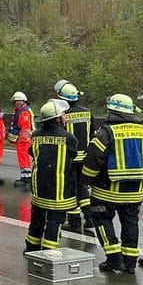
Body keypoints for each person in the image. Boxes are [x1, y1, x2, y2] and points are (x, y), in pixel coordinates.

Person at [80, 94, 143, 274]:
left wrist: (86, 180)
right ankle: (130, 263)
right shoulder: (142, 130)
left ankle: (114, 260)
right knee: (130, 223)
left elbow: (93, 160)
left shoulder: (105, 132)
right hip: (135, 191)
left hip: (107, 190)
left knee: (102, 219)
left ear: (112, 111)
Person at [24, 99, 77, 253]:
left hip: (39, 188)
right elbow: (73, 156)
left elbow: (32, 152)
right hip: (59, 191)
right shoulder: (68, 137)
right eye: (63, 114)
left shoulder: (36, 135)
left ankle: (31, 249)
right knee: (54, 223)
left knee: (36, 221)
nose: (65, 117)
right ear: (58, 118)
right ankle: (48, 252)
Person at [54, 80, 95, 233]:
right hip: (84, 157)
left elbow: (59, 135)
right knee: (82, 187)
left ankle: (74, 222)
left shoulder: (62, 115)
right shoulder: (87, 111)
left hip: (69, 157)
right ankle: (89, 218)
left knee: (70, 189)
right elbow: (92, 133)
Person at [7, 91, 34, 187]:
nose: (18, 102)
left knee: (24, 159)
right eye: (16, 101)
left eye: (20, 101)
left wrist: (17, 135)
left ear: (24, 101)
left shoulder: (24, 112)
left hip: (24, 140)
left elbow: (24, 127)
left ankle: (26, 178)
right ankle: (26, 177)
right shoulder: (21, 110)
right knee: (23, 158)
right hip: (23, 139)